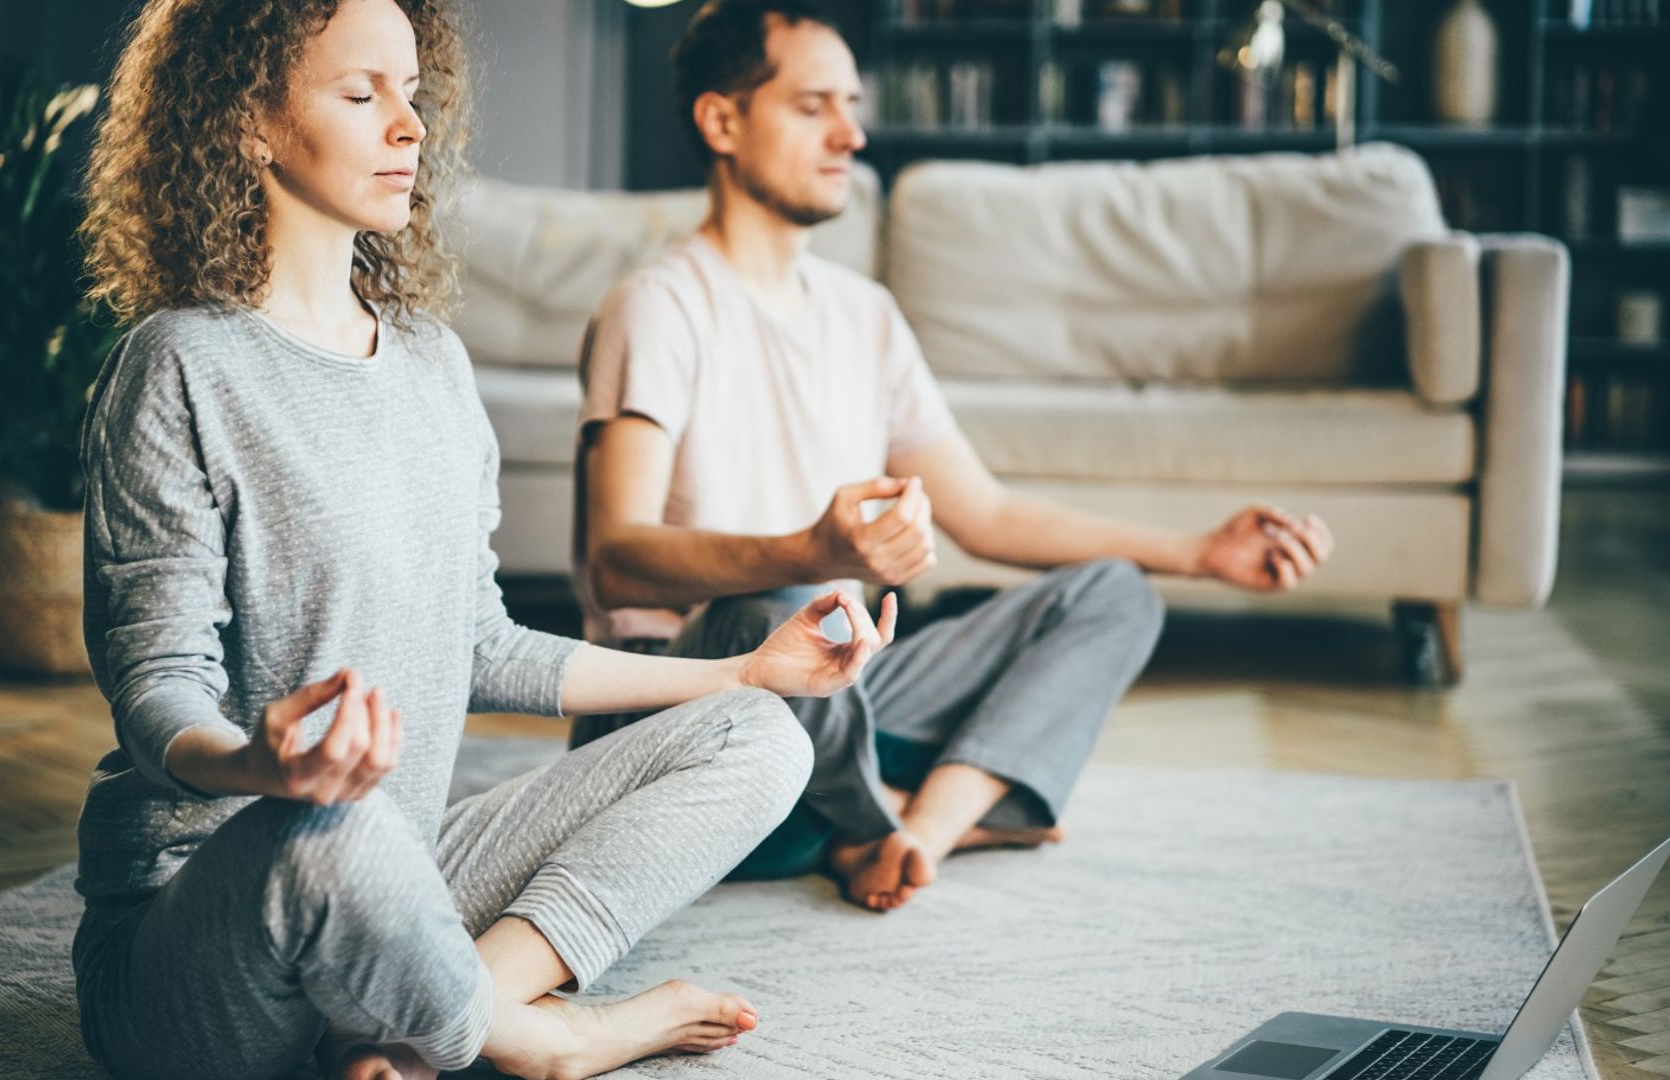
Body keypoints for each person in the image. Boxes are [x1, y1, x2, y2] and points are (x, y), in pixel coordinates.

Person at [72, 2, 899, 1078]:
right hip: (214, 924)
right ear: (249, 121)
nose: (409, 125)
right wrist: (258, 765)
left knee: (761, 734)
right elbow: (156, 687)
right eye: (361, 93)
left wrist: (744, 669)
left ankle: (429, 1014)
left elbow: (484, 645)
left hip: (402, 874)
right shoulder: (178, 365)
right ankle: (550, 1037)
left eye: (413, 93)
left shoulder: (432, 364)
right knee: (338, 829)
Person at [572, 0, 1336, 913]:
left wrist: (1200, 552)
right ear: (721, 121)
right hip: (677, 707)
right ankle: (885, 815)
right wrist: (809, 552)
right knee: (786, 606)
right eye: (813, 107)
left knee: (1115, 594)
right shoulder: (659, 305)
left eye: (852, 105)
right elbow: (618, 557)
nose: (851, 135)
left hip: (829, 694)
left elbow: (988, 514)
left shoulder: (864, 316)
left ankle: (913, 834)